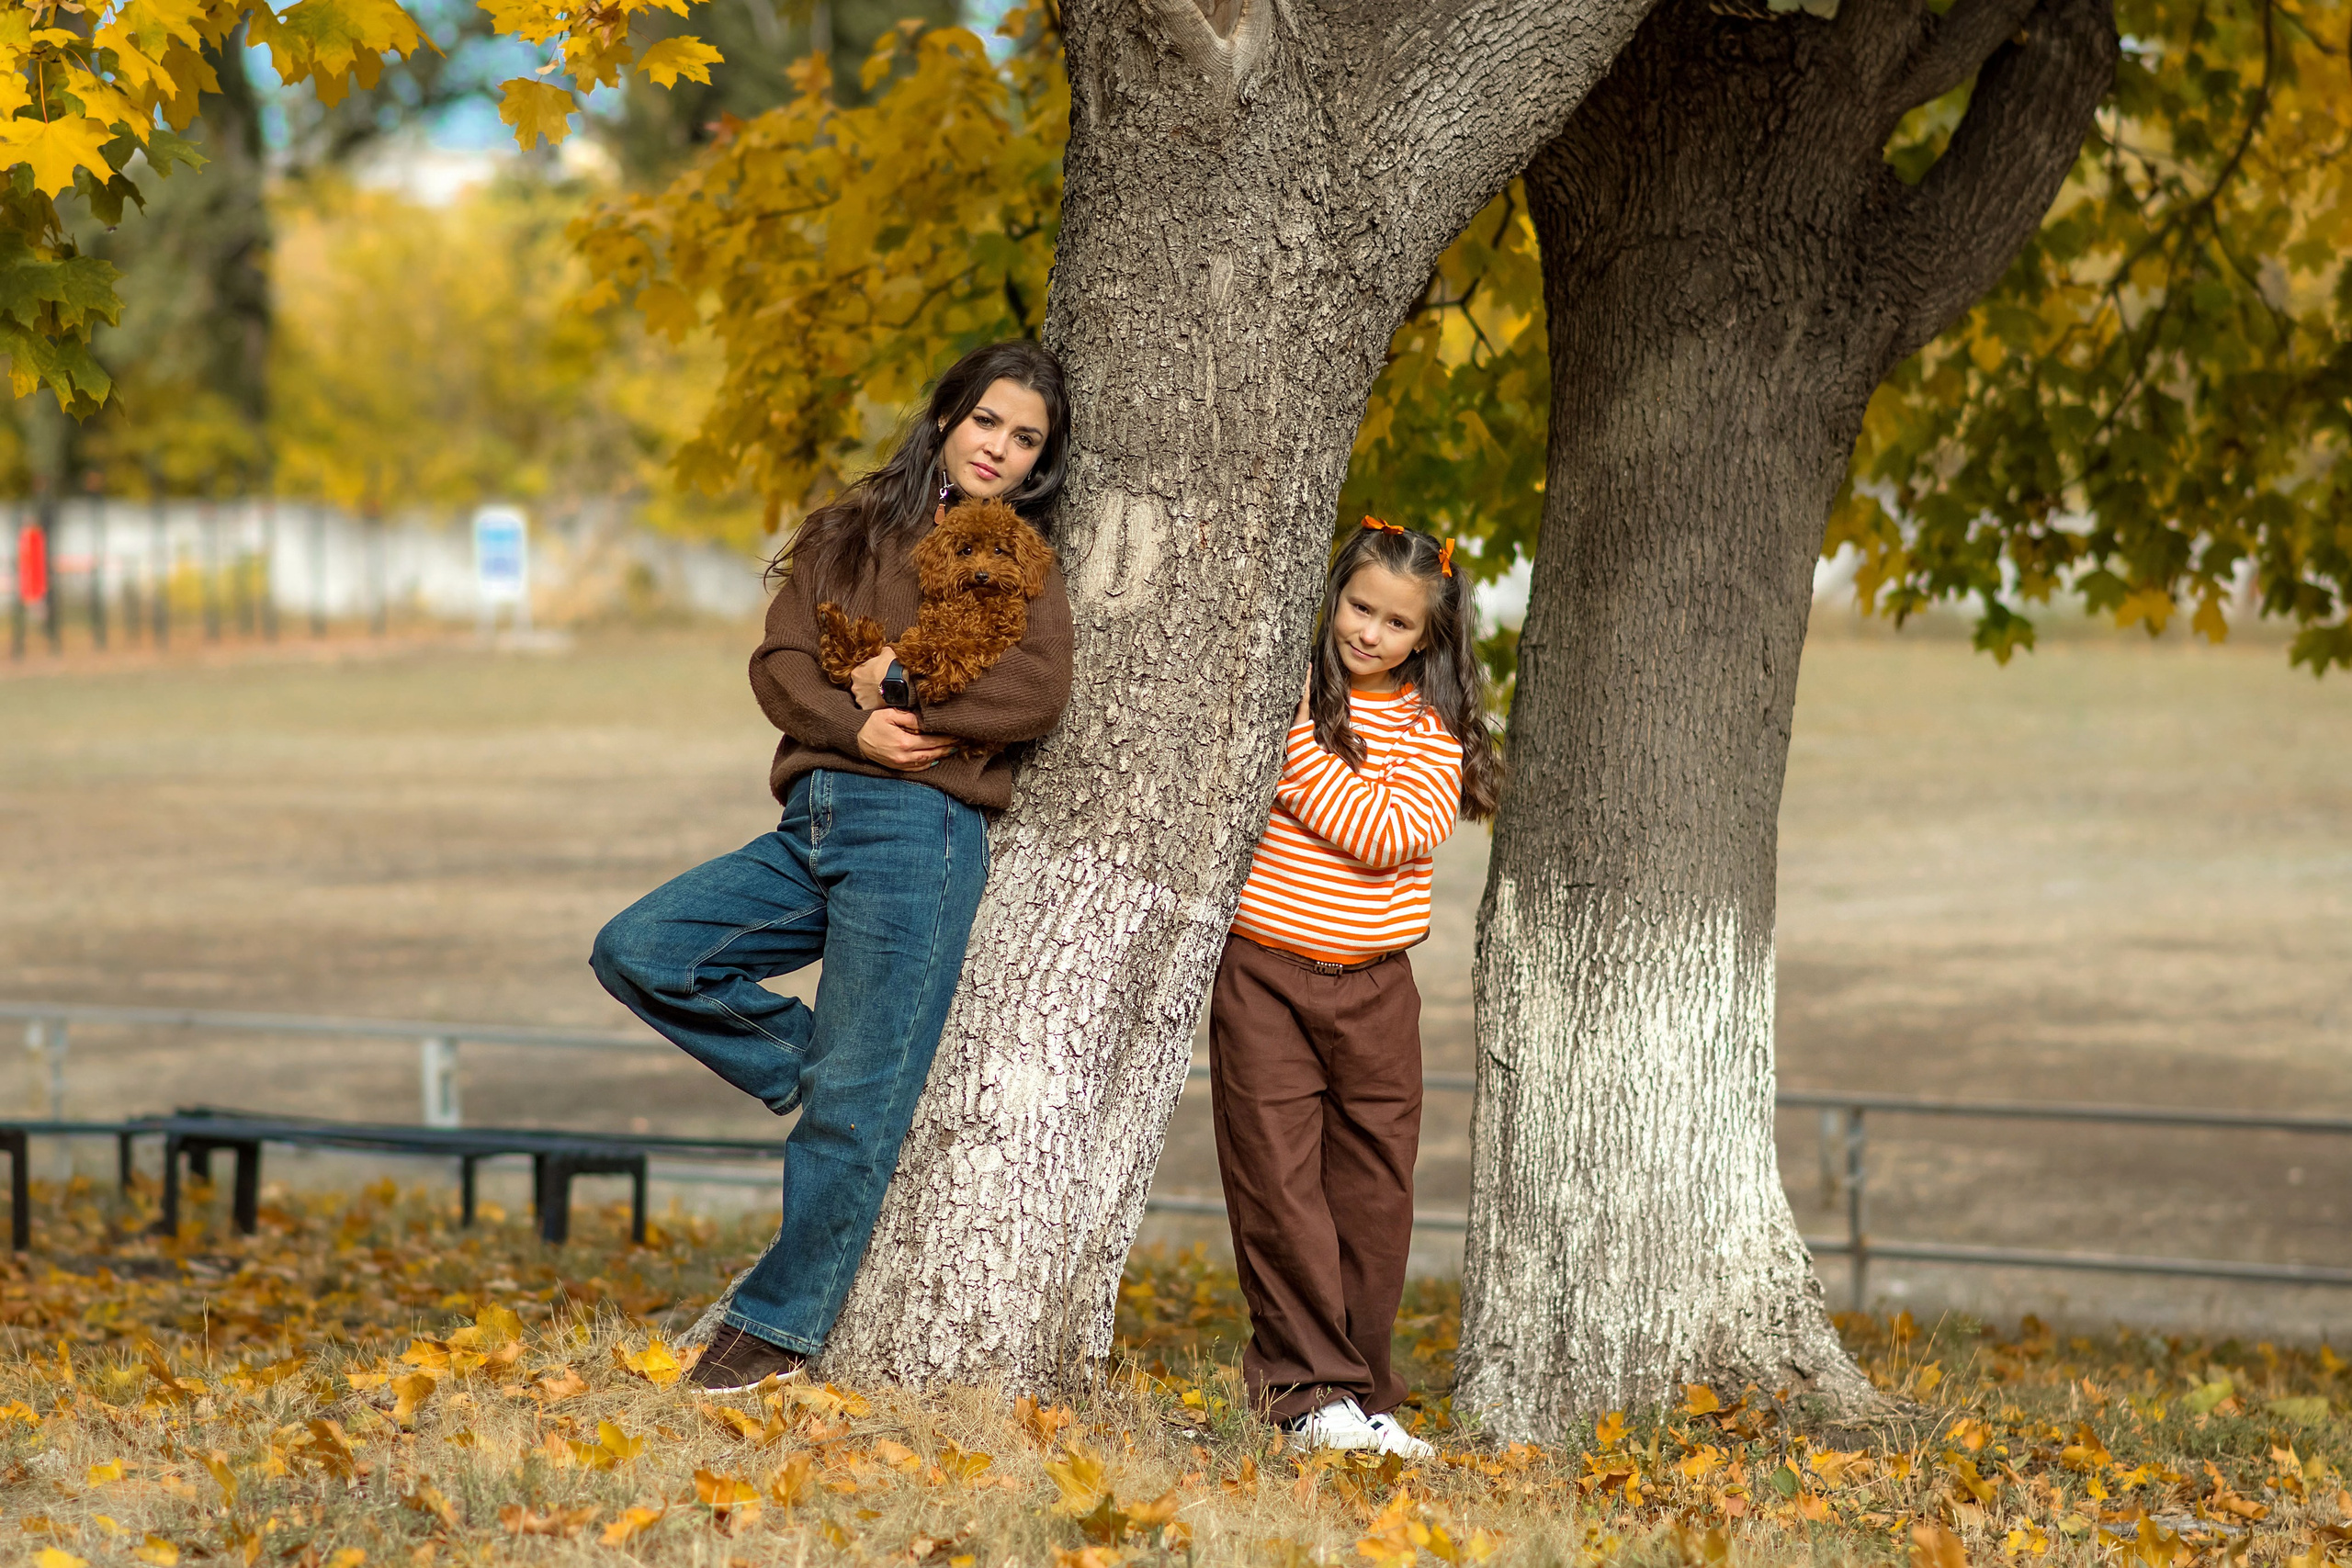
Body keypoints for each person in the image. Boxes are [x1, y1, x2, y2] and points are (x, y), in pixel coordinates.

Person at [590, 340, 1074, 1392]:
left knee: (854, 1108)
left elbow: (1033, 696)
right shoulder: (849, 531)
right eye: (987, 420)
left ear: (1040, 464)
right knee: (642, 951)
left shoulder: (1015, 557)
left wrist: (901, 691)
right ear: (947, 417)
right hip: (811, 819)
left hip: (919, 836)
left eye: (1025, 439)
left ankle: (775, 1330)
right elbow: (781, 664)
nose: (1000, 447)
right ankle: (838, 1077)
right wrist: (853, 734)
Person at [1212, 518, 1503, 1457]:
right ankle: (1304, 1395)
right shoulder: (1285, 689)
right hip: (1264, 977)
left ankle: (1363, 1389)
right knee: (1281, 1185)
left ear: (1429, 638)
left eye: (1397, 623)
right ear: (1333, 598)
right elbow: (1359, 813)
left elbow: (1388, 835)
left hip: (1376, 988)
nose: (1369, 633)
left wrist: (1287, 748)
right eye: (1359, 607)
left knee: (1374, 1193)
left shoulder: (1431, 729)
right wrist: (1304, 735)